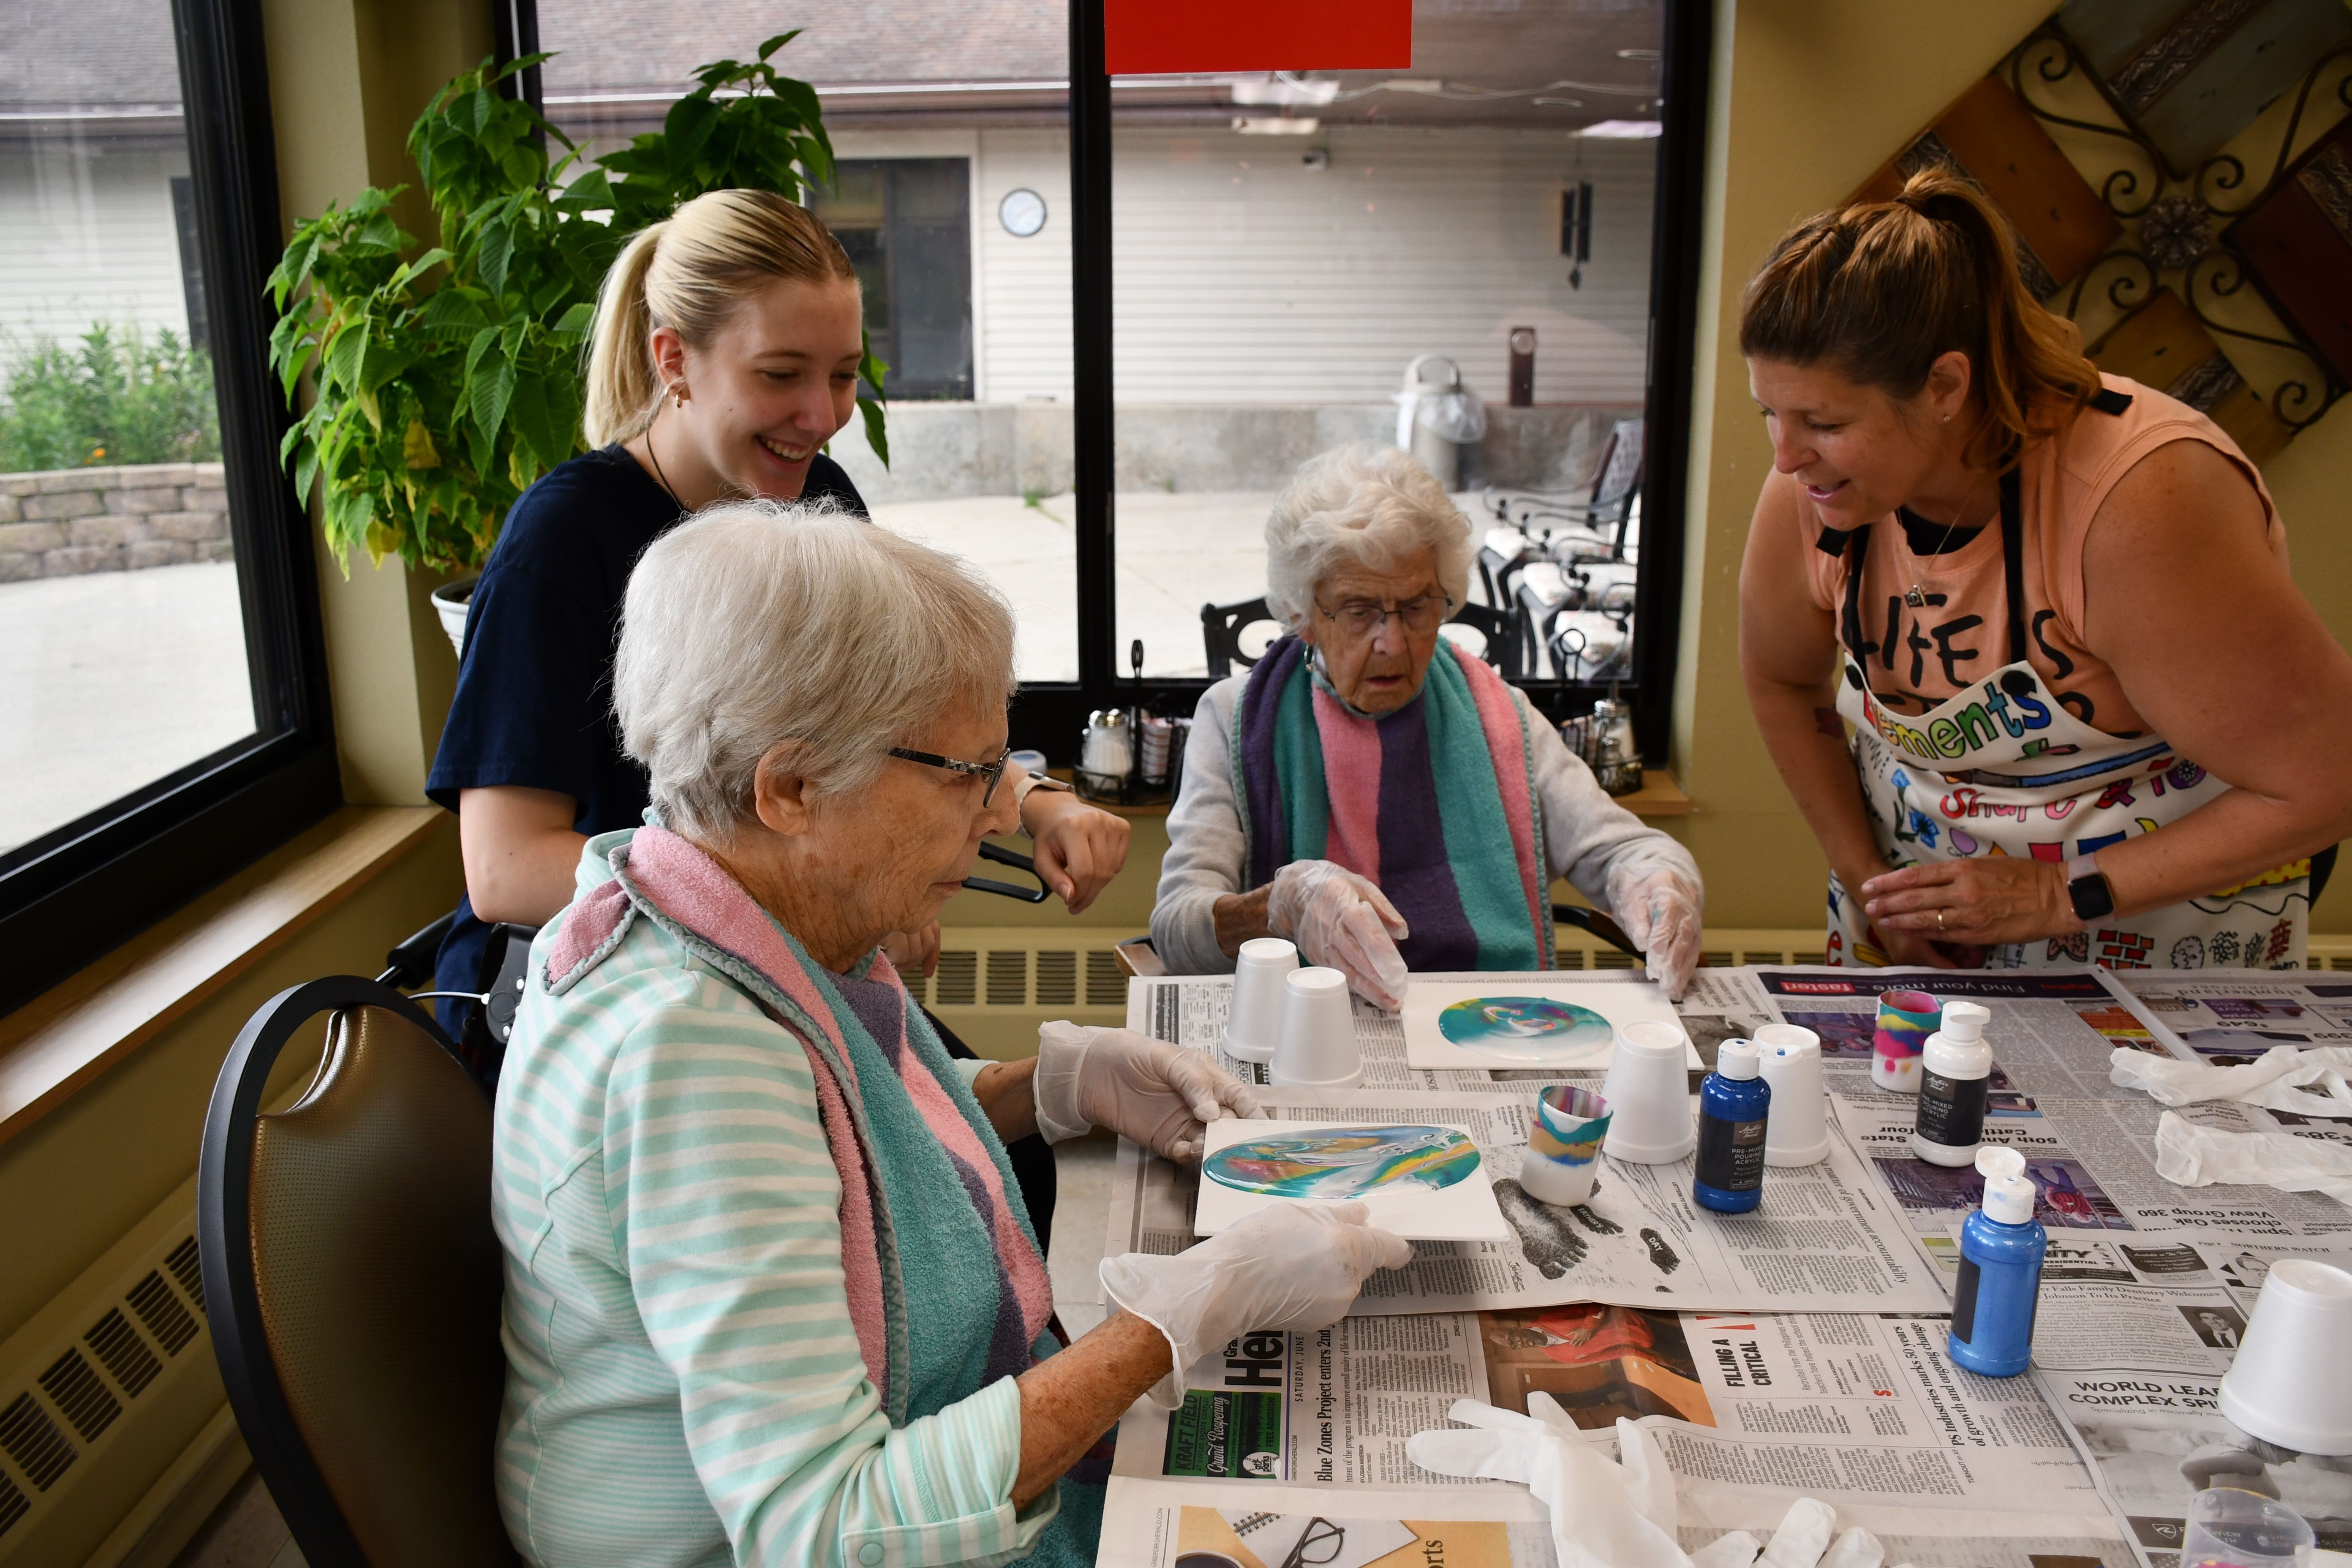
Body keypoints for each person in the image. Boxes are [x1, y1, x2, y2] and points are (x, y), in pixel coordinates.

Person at [492, 502, 1413, 1567]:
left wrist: (1058, 1084)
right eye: (968, 773)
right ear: (792, 786)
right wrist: (1183, 1313)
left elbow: (841, 1144)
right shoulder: (696, 1050)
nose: (993, 815)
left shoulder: (719, 892)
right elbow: (829, 1526)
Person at [425, 189, 1128, 1232]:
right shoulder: (561, 546)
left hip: (793, 966)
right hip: (640, 996)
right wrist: (816, 909)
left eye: (843, 375)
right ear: (674, 359)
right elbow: (504, 869)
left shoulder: (818, 498)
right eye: (781, 376)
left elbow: (899, 718)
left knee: (1000, 1175)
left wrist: (1029, 801)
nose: (821, 412)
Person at [1738, 172, 2352, 972]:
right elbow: (1784, 683)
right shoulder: (1815, 488)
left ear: (1946, 385)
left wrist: (2057, 895)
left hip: (2148, 925)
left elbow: (2328, 779)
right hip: (1928, 926)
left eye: (1824, 422)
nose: (1787, 459)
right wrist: (1869, 881)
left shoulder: (2139, 501)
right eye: (1770, 416)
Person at [1153, 445, 1704, 1003]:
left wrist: (1658, 884)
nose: (1392, 643)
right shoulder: (1232, 718)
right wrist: (1274, 908)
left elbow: (1626, 850)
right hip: (1302, 1026)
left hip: (1485, 1022)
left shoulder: (1500, 718)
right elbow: (1176, 928)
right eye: (1359, 611)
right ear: (1304, 616)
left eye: (1417, 608)